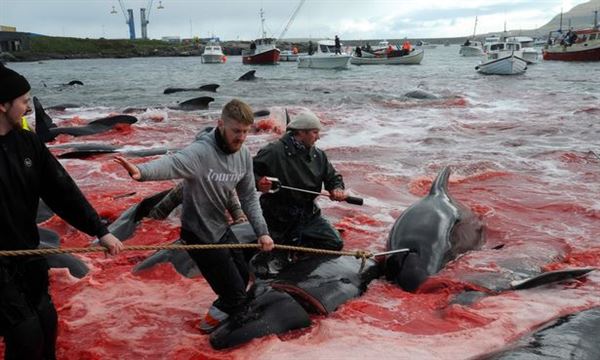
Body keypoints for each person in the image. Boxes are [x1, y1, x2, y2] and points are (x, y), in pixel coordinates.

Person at [113, 99, 274, 334]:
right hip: (198, 235)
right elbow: (174, 162)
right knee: (235, 295)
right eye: (236, 131)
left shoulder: (244, 155)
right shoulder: (201, 152)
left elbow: (249, 197)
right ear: (221, 124)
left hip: (220, 227)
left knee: (241, 277)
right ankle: (205, 333)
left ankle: (213, 319)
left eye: (245, 132)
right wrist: (142, 172)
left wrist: (262, 232)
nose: (240, 137)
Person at [0, 64, 123, 360]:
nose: (29, 107)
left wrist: (99, 230)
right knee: (26, 335)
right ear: (3, 105)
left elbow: (61, 189)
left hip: (26, 253)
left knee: (47, 322)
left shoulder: (28, 142)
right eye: (24, 101)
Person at [252, 110, 347, 275]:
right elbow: (247, 174)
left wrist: (337, 188)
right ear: (301, 133)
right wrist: (259, 182)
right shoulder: (273, 151)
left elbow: (332, 177)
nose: (318, 137)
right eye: (315, 132)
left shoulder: (318, 155)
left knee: (334, 243)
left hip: (308, 213)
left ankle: (299, 255)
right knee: (268, 267)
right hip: (278, 215)